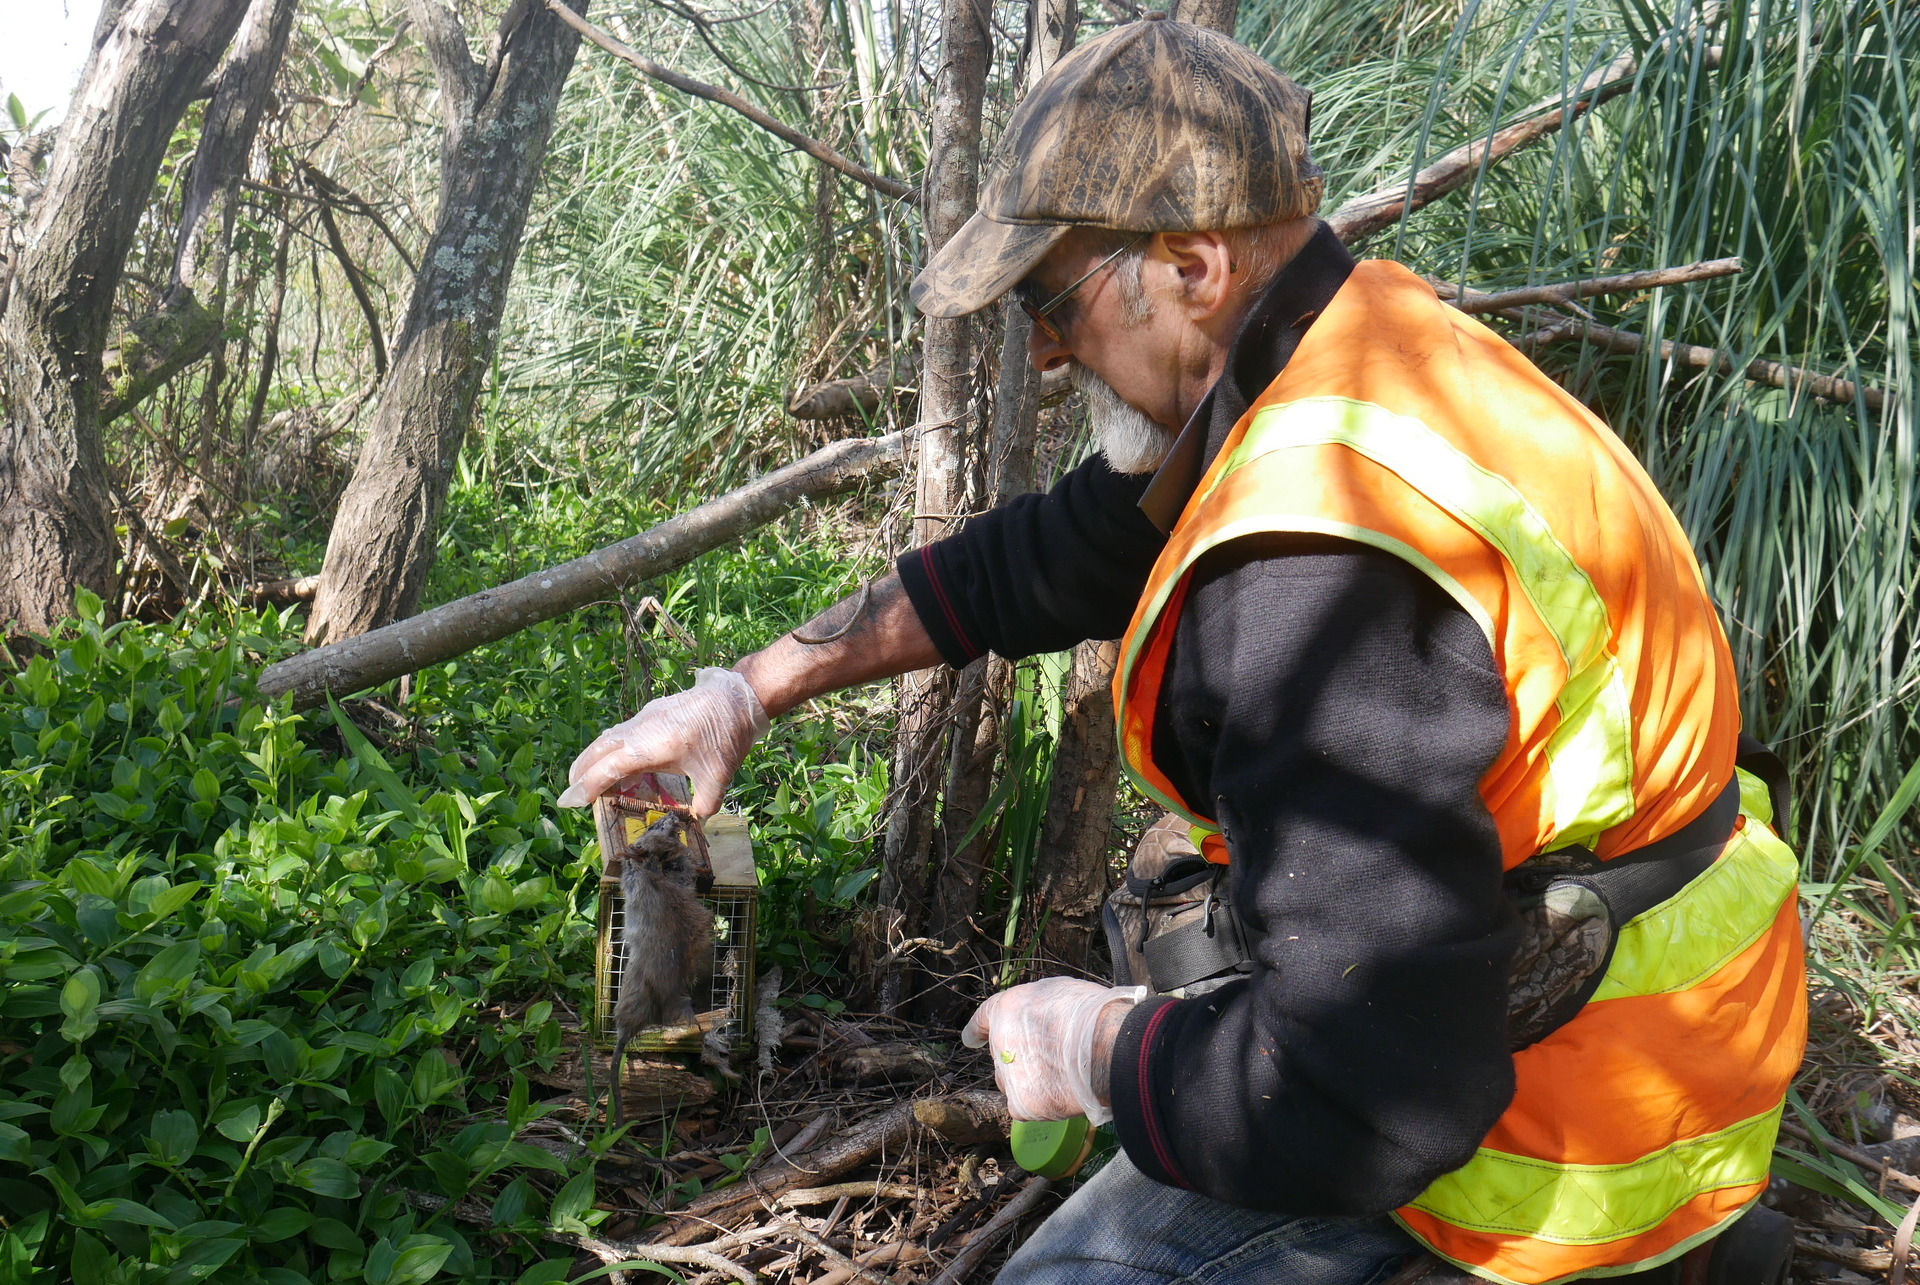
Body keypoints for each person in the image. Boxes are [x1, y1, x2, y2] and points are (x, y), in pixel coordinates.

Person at [559, 16, 1807, 1285]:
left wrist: (1092, 1045)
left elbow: (1359, 1103)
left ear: (1195, 264)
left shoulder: (1321, 573)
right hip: (1642, 1004)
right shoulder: (1364, 350)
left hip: (1564, 1136)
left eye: (1055, 299)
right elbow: (1050, 555)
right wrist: (746, 692)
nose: (1042, 347)